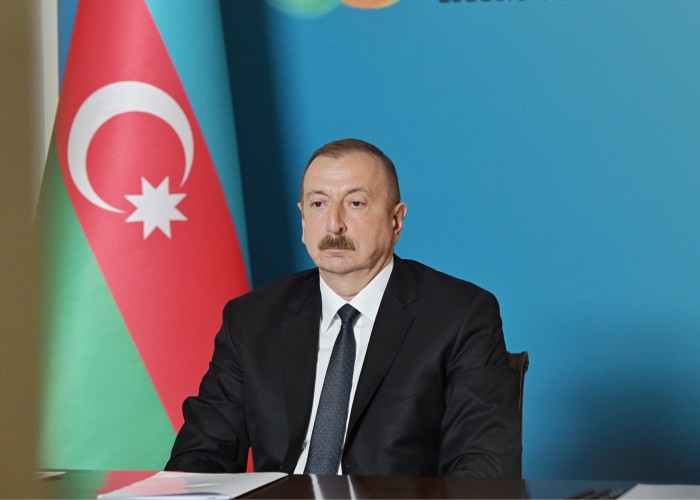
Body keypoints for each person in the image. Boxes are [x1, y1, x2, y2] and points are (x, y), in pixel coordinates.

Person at [165, 138, 521, 477]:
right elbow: (199, 456)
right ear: (303, 219)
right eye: (318, 204)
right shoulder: (251, 319)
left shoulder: (460, 315)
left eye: (356, 203)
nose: (334, 224)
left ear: (396, 220)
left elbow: (483, 470)